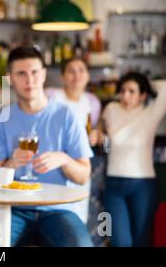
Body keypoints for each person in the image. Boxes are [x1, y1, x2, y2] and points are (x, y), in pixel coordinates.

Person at [0, 46, 94, 247]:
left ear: (44, 75)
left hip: (59, 209)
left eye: (35, 72)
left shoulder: (67, 116)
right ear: (10, 78)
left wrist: (64, 159)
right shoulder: (2, 119)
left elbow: (83, 176)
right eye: (21, 73)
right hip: (12, 208)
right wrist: (11, 163)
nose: (29, 79)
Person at [98, 72, 166, 247]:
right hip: (113, 185)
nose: (125, 95)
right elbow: (108, 147)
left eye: (132, 91)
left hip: (143, 186)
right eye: (123, 90)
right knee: (119, 241)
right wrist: (102, 139)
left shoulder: (151, 113)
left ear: (143, 95)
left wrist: (144, 81)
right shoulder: (111, 109)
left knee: (141, 241)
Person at [46, 57, 102, 224]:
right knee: (52, 212)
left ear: (87, 75)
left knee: (77, 215)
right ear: (63, 76)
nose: (77, 75)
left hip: (79, 164)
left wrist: (96, 136)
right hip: (52, 163)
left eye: (81, 70)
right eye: (71, 71)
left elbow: (93, 131)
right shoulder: (50, 96)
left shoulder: (93, 102)